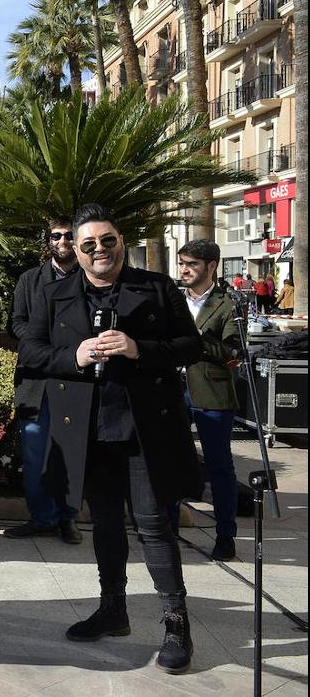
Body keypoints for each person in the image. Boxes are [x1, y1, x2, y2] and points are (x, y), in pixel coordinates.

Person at [19, 203, 202, 674]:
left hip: (144, 428)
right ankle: (113, 609)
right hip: (88, 430)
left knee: (153, 525)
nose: (99, 250)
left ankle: (175, 623)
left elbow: (191, 345)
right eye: (88, 244)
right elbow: (32, 350)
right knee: (103, 522)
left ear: (121, 242)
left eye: (108, 240)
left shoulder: (157, 288)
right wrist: (74, 355)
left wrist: (140, 349)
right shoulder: (55, 294)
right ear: (75, 252)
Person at [4, 219, 82, 544]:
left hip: (73, 379)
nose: (62, 241)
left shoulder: (89, 279)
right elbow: (16, 323)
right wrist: (41, 344)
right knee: (35, 454)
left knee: (69, 454)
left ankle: (67, 519)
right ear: (48, 240)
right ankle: (42, 517)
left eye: (68, 236)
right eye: (56, 236)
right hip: (35, 380)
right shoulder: (29, 280)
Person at [176, 240, 241, 561]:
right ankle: (166, 523)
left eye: (192, 264)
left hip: (211, 392)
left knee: (219, 466)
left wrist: (194, 336)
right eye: (182, 263)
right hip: (171, 390)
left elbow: (231, 351)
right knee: (168, 457)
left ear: (212, 266)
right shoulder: (171, 299)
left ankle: (225, 534)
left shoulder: (228, 304)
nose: (184, 270)